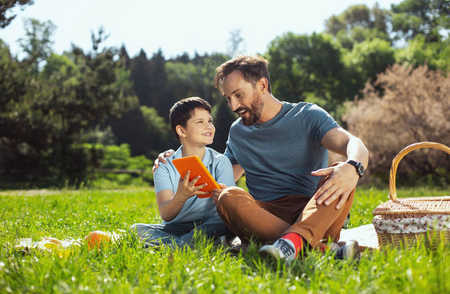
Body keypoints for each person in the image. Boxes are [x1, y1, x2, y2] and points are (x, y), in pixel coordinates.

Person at [154, 55, 369, 262]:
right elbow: (217, 176)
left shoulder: (308, 116)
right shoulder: (238, 132)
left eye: (239, 95)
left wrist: (353, 167)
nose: (233, 105)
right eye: (228, 98)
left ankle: (296, 242)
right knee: (227, 196)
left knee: (339, 169)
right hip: (262, 217)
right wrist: (176, 156)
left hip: (316, 210)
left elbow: (353, 143)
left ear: (262, 86)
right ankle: (311, 246)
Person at [131, 97, 235, 248]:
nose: (209, 127)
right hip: (175, 227)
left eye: (210, 121)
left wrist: (224, 198)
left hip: (211, 223)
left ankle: (174, 246)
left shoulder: (221, 162)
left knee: (221, 224)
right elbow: (166, 214)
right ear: (181, 130)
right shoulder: (164, 166)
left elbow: (230, 210)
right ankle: (187, 245)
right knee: (135, 230)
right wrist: (181, 196)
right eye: (200, 122)